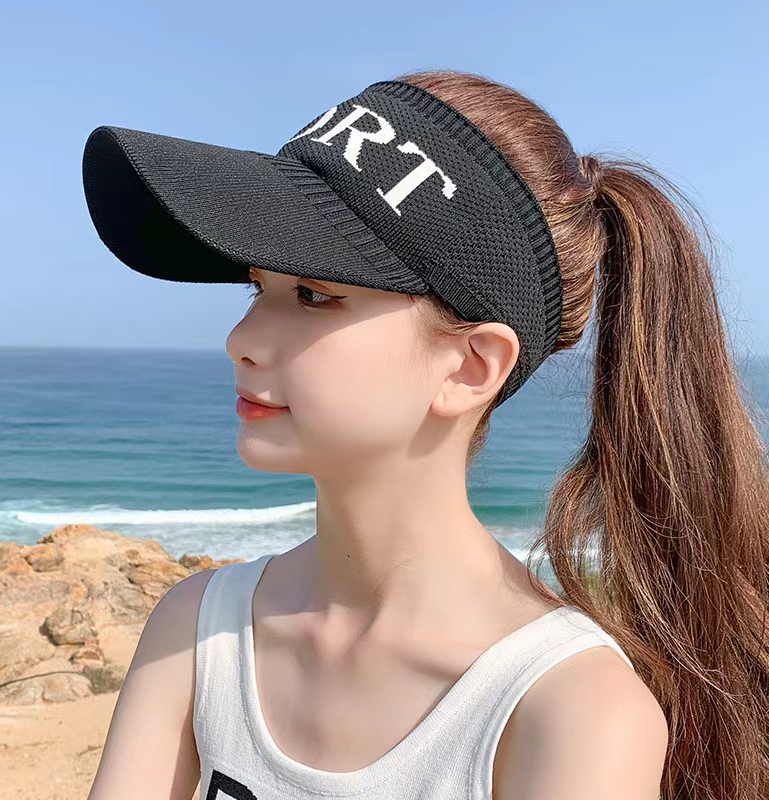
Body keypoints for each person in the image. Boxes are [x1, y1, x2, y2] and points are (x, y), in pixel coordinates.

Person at [81, 70, 769, 800]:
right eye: (259, 286)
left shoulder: (567, 710)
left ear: (471, 367)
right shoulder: (199, 631)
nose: (240, 340)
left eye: (313, 294)